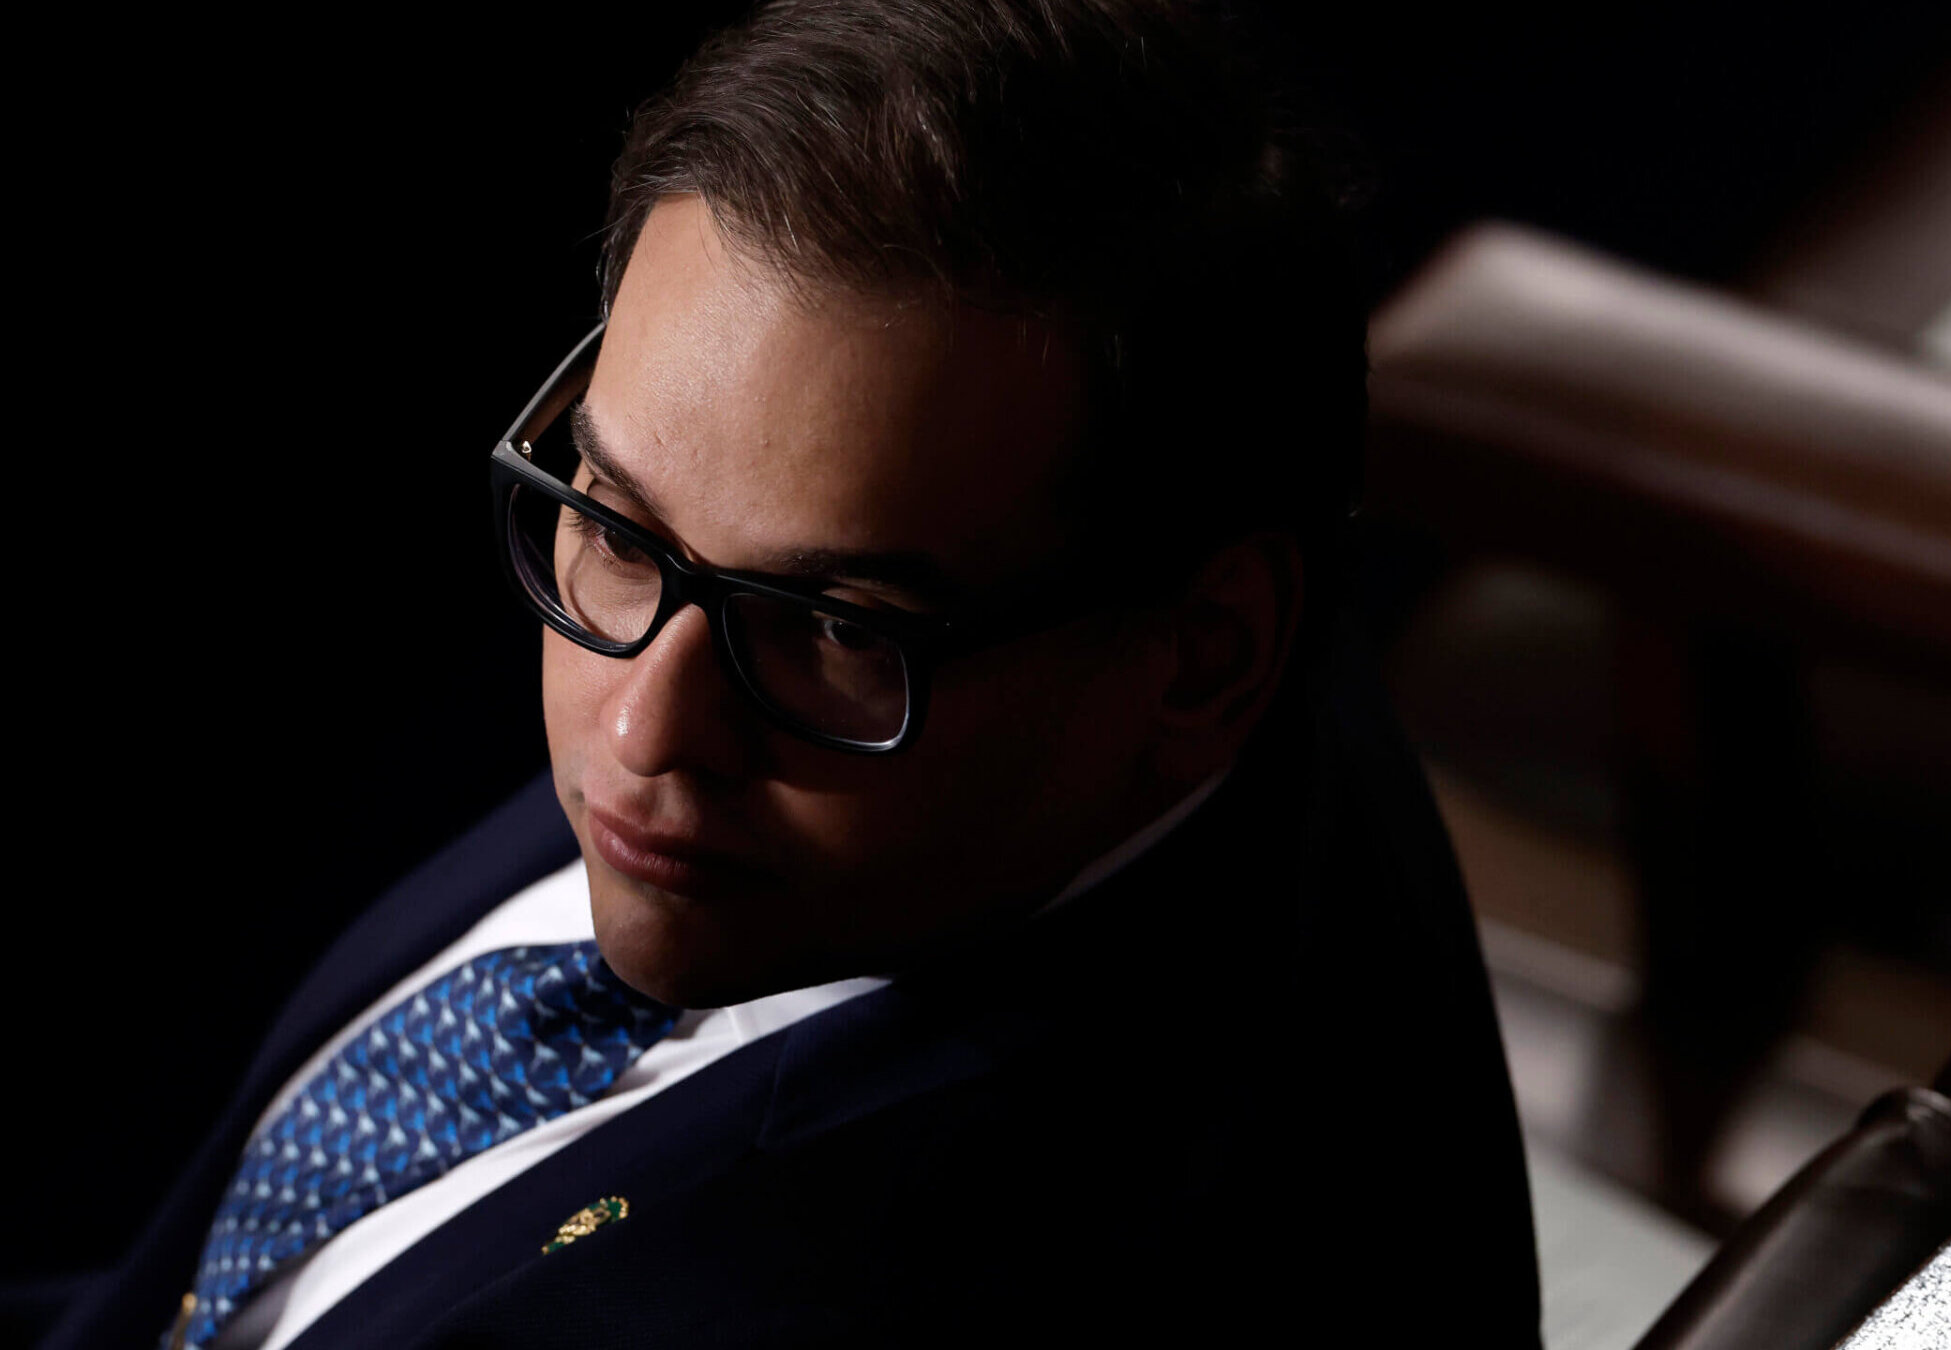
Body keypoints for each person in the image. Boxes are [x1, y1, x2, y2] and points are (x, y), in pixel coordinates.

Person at [43, 2, 1538, 1345]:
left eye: (830, 625)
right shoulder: (1144, 611)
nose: (641, 725)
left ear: (1202, 657)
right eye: (615, 525)